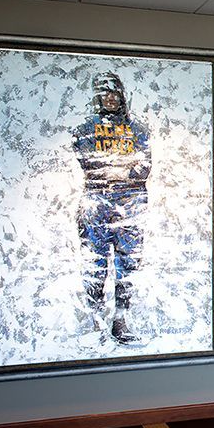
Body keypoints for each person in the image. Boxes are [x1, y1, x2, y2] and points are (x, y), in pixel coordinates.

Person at [73, 72, 151, 343]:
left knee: (127, 265)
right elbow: (89, 164)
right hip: (96, 206)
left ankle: (121, 319)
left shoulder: (137, 129)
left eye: (114, 92)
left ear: (121, 95)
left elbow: (143, 167)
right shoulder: (85, 129)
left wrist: (113, 169)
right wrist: (119, 168)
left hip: (131, 207)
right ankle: (95, 320)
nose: (109, 97)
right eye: (104, 92)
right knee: (95, 263)